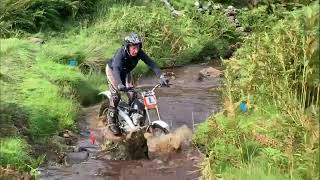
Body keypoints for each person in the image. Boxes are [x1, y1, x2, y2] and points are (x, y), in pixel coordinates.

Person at [105, 32, 169, 135]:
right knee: (116, 96)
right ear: (127, 47)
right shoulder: (120, 54)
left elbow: (151, 63)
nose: (136, 50)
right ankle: (111, 121)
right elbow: (116, 69)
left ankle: (132, 119)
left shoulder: (139, 53)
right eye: (133, 48)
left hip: (126, 72)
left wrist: (161, 76)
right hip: (113, 72)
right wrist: (120, 84)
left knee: (133, 94)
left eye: (137, 47)